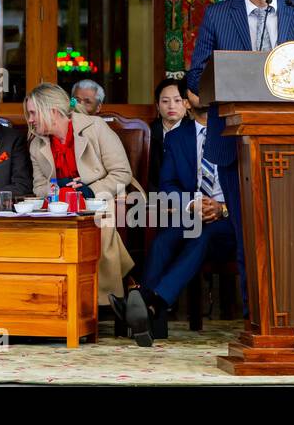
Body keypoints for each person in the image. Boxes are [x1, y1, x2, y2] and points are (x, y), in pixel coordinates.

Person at [113, 95, 243, 346]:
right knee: (163, 241)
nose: (204, 93)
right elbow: (168, 186)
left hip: (229, 219)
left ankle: (147, 303)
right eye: (196, 90)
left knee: (204, 236)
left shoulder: (234, 133)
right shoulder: (176, 138)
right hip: (191, 214)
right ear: (187, 102)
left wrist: (223, 208)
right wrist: (193, 203)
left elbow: (251, 184)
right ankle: (148, 310)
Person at [25, 83, 135, 305]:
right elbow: (38, 187)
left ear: (52, 111)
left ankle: (101, 299)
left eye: (33, 113)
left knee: (98, 222)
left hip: (102, 197)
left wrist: (89, 190)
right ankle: (52, 298)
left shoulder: (95, 127)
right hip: (60, 206)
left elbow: (122, 173)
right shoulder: (36, 144)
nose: (30, 120)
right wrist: (59, 188)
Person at [149, 77, 192, 196]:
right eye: (165, 101)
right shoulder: (147, 133)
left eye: (177, 100)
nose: (171, 106)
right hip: (154, 199)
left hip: (187, 200)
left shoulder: (195, 132)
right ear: (157, 105)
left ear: (186, 103)